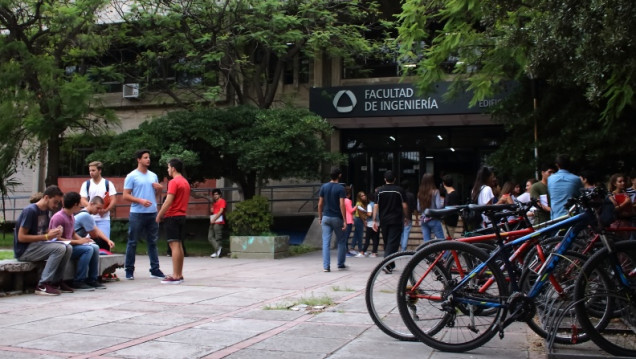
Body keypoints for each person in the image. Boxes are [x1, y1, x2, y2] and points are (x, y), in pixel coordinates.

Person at [14, 185, 73, 296]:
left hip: (37, 246)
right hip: (25, 250)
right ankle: (43, 284)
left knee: (68, 247)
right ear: (46, 197)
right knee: (59, 248)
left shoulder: (45, 211)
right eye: (55, 202)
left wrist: (54, 232)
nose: (56, 206)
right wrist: (46, 237)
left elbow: (44, 231)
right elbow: (21, 237)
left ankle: (56, 281)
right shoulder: (30, 211)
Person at [122, 149, 165, 280]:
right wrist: (139, 200)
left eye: (149, 157)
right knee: (132, 242)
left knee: (152, 242)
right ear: (139, 160)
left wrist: (159, 190)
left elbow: (155, 195)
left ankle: (155, 269)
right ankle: (129, 270)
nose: (148, 159)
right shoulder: (131, 176)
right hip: (137, 213)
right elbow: (125, 195)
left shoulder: (153, 175)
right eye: (145, 157)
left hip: (152, 212)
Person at [49, 191, 105, 291]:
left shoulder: (71, 216)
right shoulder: (58, 217)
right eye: (80, 204)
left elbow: (73, 233)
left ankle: (92, 279)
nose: (81, 206)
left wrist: (84, 240)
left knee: (94, 247)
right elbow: (56, 239)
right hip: (63, 247)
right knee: (88, 250)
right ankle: (79, 280)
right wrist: (78, 242)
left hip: (71, 245)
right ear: (75, 205)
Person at [156, 158, 191, 284]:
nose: (168, 169)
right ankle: (179, 274)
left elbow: (168, 200)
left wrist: (159, 214)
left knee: (174, 245)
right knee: (179, 245)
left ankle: (176, 275)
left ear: (173, 168)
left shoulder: (173, 182)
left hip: (172, 216)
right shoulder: (185, 182)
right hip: (182, 215)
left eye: (168, 167)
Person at [373, 170, 408, 273]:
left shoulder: (380, 191)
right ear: (395, 179)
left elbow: (376, 205)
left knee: (387, 242)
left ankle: (390, 264)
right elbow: (404, 205)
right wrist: (406, 216)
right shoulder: (399, 190)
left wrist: (374, 219)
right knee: (392, 243)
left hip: (384, 220)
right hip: (396, 220)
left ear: (385, 179)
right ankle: (386, 264)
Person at [318, 167, 347, 272]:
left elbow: (320, 204)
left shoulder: (324, 187)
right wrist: (345, 220)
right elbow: (342, 205)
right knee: (341, 240)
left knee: (326, 242)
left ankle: (326, 266)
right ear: (339, 175)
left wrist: (320, 216)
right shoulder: (340, 188)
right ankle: (340, 264)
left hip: (325, 217)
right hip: (336, 218)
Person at [79, 161, 117, 239]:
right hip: (89, 217)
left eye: (93, 170)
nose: (91, 173)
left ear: (99, 171)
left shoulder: (108, 184)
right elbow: (83, 200)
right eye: (90, 171)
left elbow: (113, 200)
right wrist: (93, 208)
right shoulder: (86, 184)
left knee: (105, 241)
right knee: (89, 241)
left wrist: (106, 210)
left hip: (104, 218)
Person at [548, 154, 583, 219]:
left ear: (557, 165)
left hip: (556, 217)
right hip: (572, 216)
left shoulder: (550, 179)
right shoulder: (576, 179)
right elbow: (580, 196)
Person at [418, 173, 444, 241]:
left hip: (423, 219)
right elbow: (438, 207)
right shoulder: (435, 191)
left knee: (426, 242)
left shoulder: (420, 193)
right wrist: (442, 202)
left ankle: (427, 252)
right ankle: (446, 252)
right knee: (441, 241)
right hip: (434, 218)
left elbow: (418, 208)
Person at [399, 180, 417, 251]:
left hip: (399, 216)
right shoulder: (411, 195)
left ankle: (402, 247)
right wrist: (416, 219)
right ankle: (403, 248)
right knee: (406, 232)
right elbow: (415, 208)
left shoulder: (399, 195)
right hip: (408, 216)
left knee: (401, 233)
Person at [208, 188, 226, 258]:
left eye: (216, 194)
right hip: (213, 220)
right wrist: (212, 211)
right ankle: (218, 249)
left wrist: (214, 219)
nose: (215, 196)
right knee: (210, 237)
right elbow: (214, 212)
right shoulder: (214, 203)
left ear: (220, 195)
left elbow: (221, 211)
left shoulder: (222, 201)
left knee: (218, 237)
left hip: (219, 221)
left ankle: (217, 252)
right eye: (214, 194)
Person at [362, 189, 379, 257]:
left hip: (371, 223)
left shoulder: (370, 205)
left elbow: (369, 214)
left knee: (367, 238)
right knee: (376, 238)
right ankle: (374, 252)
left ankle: (363, 251)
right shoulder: (377, 205)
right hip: (378, 222)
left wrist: (364, 212)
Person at [352, 191, 368, 257]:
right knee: (360, 235)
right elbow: (361, 214)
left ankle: (352, 247)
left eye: (364, 195)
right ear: (359, 197)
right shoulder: (359, 203)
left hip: (359, 219)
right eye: (362, 196)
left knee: (356, 234)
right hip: (359, 219)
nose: (364, 196)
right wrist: (364, 221)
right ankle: (360, 250)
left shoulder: (363, 203)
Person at [343, 185, 357, 257]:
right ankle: (346, 252)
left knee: (345, 236)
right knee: (346, 237)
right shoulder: (348, 201)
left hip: (344, 220)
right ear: (349, 194)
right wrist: (356, 207)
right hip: (348, 220)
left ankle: (346, 251)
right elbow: (351, 210)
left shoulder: (342, 200)